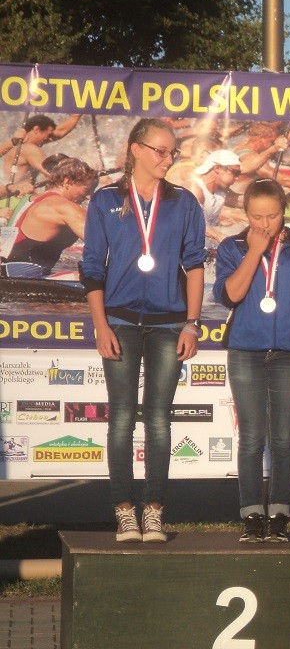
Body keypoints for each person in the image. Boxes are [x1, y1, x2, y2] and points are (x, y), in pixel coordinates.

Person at [80, 118, 206, 543]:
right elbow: (92, 267)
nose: (168, 159)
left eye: (173, 152)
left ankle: (153, 510)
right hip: (118, 321)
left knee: (158, 418)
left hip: (169, 322)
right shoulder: (106, 200)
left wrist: (192, 323)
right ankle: (124, 512)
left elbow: (195, 265)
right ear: (136, 149)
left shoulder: (184, 203)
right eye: (161, 151)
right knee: (120, 418)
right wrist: (100, 325)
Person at [213, 178, 290, 543]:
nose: (265, 224)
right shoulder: (231, 247)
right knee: (251, 437)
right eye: (257, 216)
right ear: (245, 214)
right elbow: (231, 295)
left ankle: (279, 513)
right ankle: (251, 514)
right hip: (246, 352)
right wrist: (254, 252)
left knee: (282, 438)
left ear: (284, 212)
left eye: (273, 216)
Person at [0, 158, 97, 278]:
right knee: (95, 277)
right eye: (87, 190)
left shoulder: (27, 200)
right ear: (67, 181)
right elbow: (101, 242)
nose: (89, 197)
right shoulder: (63, 207)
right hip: (24, 276)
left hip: (5, 274)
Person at [3, 114, 83, 192]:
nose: (50, 139)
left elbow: (60, 132)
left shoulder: (17, 146)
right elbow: (51, 173)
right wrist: (80, 178)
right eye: (49, 135)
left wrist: (76, 115)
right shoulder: (29, 149)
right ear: (36, 129)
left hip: (9, 193)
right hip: (15, 196)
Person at [189, 149, 244, 242]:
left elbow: (243, 201)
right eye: (235, 173)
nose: (237, 178)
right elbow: (194, 222)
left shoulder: (220, 191)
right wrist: (219, 236)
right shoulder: (194, 189)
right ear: (217, 168)